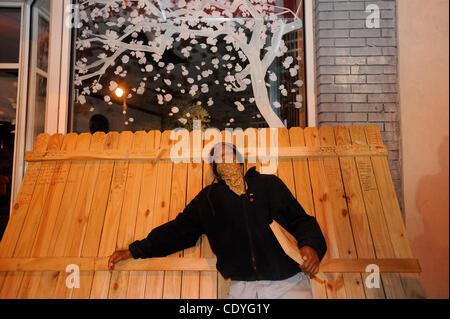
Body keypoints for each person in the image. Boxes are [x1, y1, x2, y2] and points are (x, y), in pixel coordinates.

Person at [108, 142, 327, 299]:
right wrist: (134, 250)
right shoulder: (209, 199)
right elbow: (177, 231)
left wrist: (311, 246)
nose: (225, 159)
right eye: (219, 157)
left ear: (240, 161)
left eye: (230, 154)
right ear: (214, 169)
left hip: (288, 284)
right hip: (242, 290)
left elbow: (301, 220)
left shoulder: (269, 185)